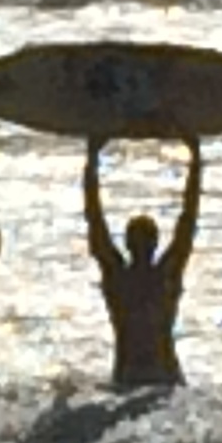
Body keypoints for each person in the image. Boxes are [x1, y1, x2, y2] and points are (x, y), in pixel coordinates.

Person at [83, 134, 202, 388]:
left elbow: (94, 220)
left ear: (126, 243)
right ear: (156, 243)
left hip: (131, 377)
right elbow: (188, 221)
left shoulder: (119, 278)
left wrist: (92, 162)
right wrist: (195, 160)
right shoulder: (165, 276)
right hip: (163, 380)